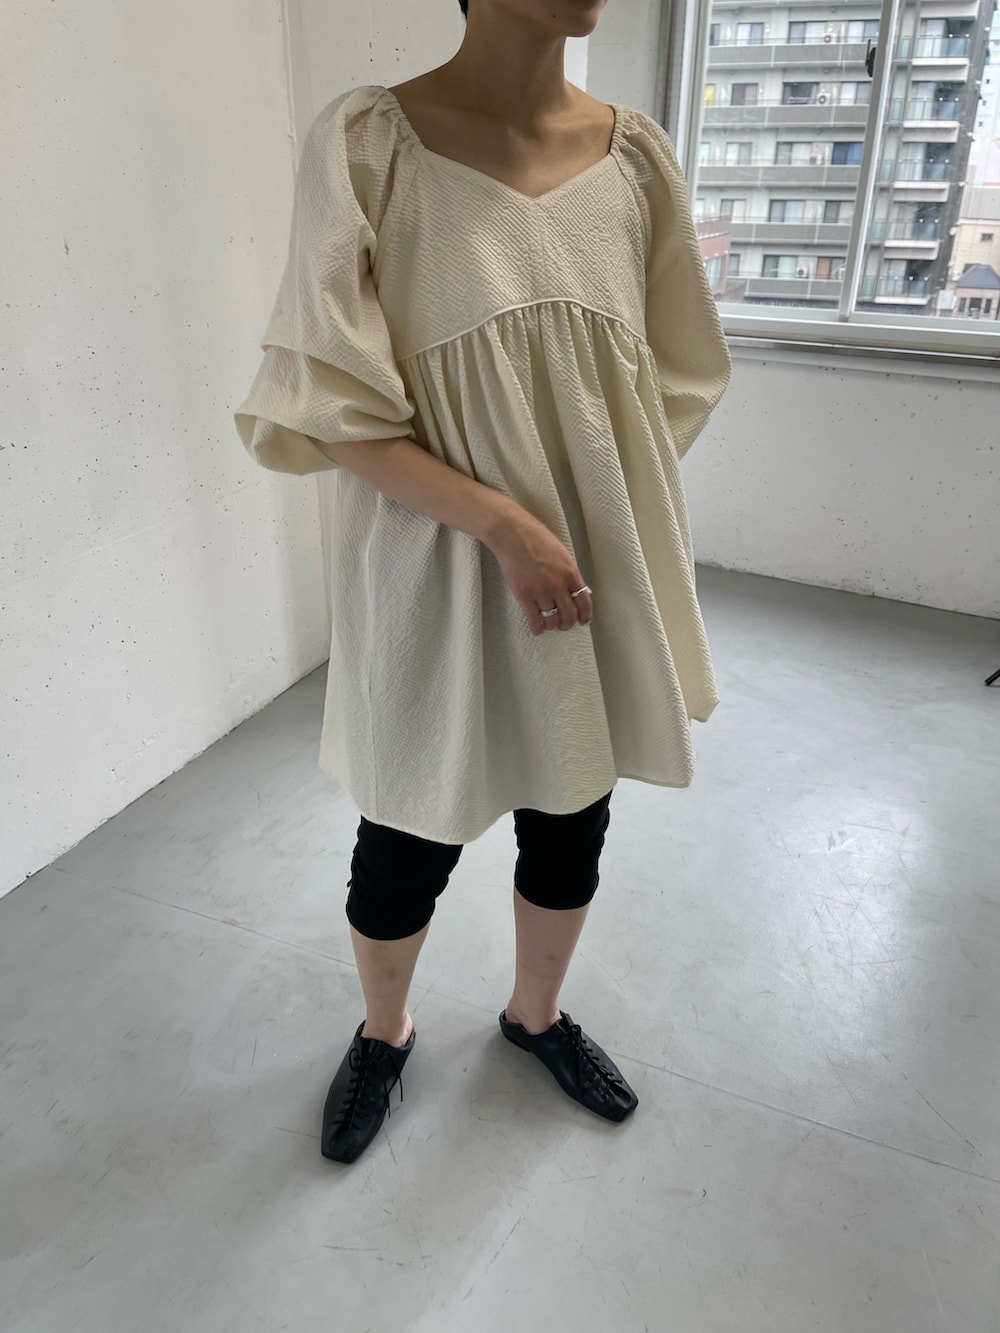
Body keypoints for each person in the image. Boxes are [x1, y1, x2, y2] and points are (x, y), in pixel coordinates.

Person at [234, 0, 731, 1165]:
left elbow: (675, 376)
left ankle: (535, 1016)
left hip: (585, 571)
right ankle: (385, 1031)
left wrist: (593, 506)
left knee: (573, 808)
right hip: (432, 558)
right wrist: (505, 519)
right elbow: (325, 405)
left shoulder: (637, 159)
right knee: (407, 825)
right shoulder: (370, 145)